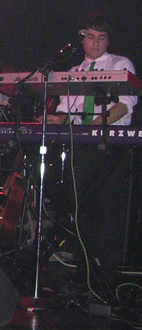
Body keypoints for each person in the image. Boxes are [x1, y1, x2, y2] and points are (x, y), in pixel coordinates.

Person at [43, 14, 137, 293]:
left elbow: (126, 103)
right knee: (79, 209)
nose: (95, 43)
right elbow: (66, 110)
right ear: (82, 40)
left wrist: (97, 123)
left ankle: (104, 278)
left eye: (101, 38)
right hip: (81, 147)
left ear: (108, 41)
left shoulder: (120, 64)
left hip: (109, 147)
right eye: (91, 37)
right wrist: (55, 118)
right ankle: (84, 273)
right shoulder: (73, 70)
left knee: (106, 212)